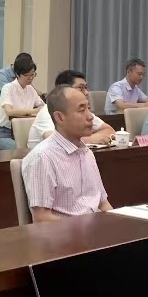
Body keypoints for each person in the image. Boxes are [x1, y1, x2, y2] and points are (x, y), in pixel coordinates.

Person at [21, 85, 113, 222]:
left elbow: (103, 203)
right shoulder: (43, 157)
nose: (90, 117)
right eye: (82, 110)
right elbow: (42, 218)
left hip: (96, 229)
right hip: (67, 233)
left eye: (89, 108)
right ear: (59, 117)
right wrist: (85, 229)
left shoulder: (87, 152)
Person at [28, 70, 115, 148]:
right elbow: (56, 141)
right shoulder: (48, 111)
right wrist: (91, 139)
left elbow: (109, 130)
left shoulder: (82, 110)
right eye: (81, 88)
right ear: (65, 89)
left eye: (86, 88)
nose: (86, 92)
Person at [0, 53, 43, 150]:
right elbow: (9, 111)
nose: (31, 78)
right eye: (27, 75)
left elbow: (43, 107)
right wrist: (33, 111)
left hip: (25, 132)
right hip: (3, 134)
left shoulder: (30, 89)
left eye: (33, 74)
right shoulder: (8, 88)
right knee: (20, 148)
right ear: (17, 75)